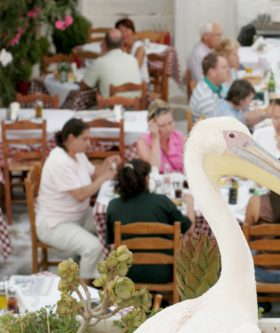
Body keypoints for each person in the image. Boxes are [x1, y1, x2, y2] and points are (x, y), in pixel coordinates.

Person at [36, 118, 120, 280]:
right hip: (55, 223)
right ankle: (86, 289)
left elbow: (94, 173)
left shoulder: (77, 154)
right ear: (70, 138)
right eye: (85, 139)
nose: (88, 143)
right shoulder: (59, 162)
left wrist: (106, 164)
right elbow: (80, 194)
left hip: (76, 216)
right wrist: (104, 177)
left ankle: (102, 273)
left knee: (110, 221)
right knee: (93, 247)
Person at [106, 159, 194, 285]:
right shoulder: (162, 201)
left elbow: (111, 245)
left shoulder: (113, 206)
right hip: (164, 271)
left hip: (127, 274)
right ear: (146, 179)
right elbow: (189, 230)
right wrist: (190, 204)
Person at [82, 29, 142, 98]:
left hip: (110, 107)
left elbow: (83, 86)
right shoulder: (133, 60)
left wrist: (101, 55)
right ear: (122, 44)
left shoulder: (100, 62)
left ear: (106, 44)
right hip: (135, 106)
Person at [137, 99, 185, 174]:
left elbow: (189, 167)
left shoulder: (179, 137)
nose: (169, 129)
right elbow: (154, 169)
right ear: (152, 124)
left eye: (170, 123)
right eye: (163, 125)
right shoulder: (143, 142)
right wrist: (155, 138)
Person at [189, 52, 230, 121]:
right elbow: (214, 126)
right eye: (224, 67)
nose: (228, 70)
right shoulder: (206, 97)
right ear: (212, 72)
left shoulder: (218, 85)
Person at [115, 18, 149, 83]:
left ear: (133, 32)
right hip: (124, 83)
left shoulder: (140, 48)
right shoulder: (118, 47)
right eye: (121, 31)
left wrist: (124, 54)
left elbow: (134, 69)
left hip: (141, 84)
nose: (124, 34)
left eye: (126, 30)